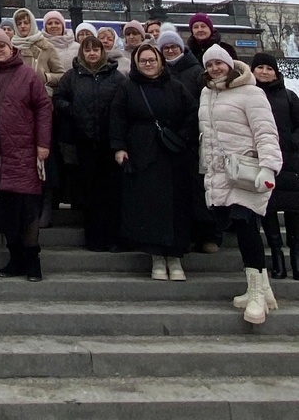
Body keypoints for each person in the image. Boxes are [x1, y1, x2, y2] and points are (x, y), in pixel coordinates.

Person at [199, 44, 282, 323]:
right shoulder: (206, 93)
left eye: (218, 64)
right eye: (209, 65)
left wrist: (269, 168)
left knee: (247, 225)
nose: (214, 69)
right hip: (220, 173)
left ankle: (257, 295)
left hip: (248, 170)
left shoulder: (251, 92)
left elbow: (266, 131)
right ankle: (263, 288)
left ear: (230, 64)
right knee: (238, 225)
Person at [0, 28, 52, 280]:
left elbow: (44, 108)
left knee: (26, 210)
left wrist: (43, 144)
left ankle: (32, 261)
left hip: (23, 152)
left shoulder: (27, 74)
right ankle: (15, 259)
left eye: (1, 46)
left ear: (11, 47)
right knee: (5, 213)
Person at [110, 42, 198, 282]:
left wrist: (182, 137)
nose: (148, 65)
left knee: (175, 205)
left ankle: (175, 256)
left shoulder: (176, 87)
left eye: (151, 60)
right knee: (149, 206)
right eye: (143, 61)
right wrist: (119, 147)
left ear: (159, 61)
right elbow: (117, 117)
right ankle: (157, 257)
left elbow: (192, 113)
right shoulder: (128, 88)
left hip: (173, 153)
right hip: (142, 153)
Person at [53, 34, 126, 251]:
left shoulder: (116, 77)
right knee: (90, 193)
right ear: (82, 52)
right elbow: (59, 98)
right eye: (87, 50)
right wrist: (73, 111)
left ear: (102, 52)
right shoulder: (72, 76)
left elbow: (124, 104)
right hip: (84, 144)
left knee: (112, 193)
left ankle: (113, 238)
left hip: (109, 143)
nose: (92, 53)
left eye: (96, 49)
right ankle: (94, 238)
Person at [157, 28, 217, 253]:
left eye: (173, 46)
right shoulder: (160, 72)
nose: (170, 50)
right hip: (168, 139)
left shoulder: (195, 71)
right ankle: (188, 235)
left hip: (193, 138)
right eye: (166, 48)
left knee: (198, 188)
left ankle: (208, 235)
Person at [250, 53, 299, 280]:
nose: (264, 72)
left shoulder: (289, 96)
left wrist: (291, 142)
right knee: (267, 210)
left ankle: (296, 262)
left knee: (294, 213)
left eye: (269, 68)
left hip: (289, 163)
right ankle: (277, 259)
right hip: (261, 161)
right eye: (259, 67)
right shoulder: (249, 96)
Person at [11, 8, 62, 93]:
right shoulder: (11, 48)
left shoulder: (46, 47)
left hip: (41, 95)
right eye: (19, 24)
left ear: (32, 24)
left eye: (26, 23)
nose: (22, 26)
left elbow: (61, 74)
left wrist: (47, 77)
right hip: (17, 96)